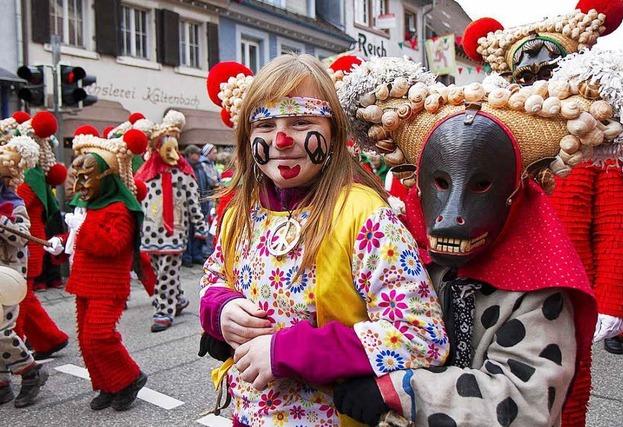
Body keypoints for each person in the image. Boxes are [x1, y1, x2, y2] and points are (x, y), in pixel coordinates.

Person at [332, 51, 623, 426]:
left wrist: (403, 390)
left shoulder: (538, 290)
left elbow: (524, 404)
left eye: (480, 186)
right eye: (441, 184)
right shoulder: (397, 251)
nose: (450, 216)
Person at [199, 54, 449, 426]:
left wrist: (288, 350)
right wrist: (221, 310)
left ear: (333, 132)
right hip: (248, 416)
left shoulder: (364, 215)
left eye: (301, 121)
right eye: (265, 124)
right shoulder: (240, 214)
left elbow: (421, 335)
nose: (281, 140)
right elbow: (212, 279)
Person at [45, 125, 150, 411]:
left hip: (108, 284)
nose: (80, 183)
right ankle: (107, 383)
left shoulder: (119, 208)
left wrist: (82, 227)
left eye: (86, 176)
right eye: (77, 176)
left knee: (100, 336)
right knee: (86, 339)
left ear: (106, 177)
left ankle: (130, 378)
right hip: (84, 281)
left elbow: (112, 245)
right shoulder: (89, 208)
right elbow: (79, 237)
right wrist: (60, 241)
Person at [135, 111, 207, 332]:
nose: (173, 154)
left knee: (166, 272)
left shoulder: (184, 174)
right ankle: (177, 300)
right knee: (161, 272)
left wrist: (201, 227)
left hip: (174, 232)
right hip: (150, 233)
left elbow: (194, 202)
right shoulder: (145, 174)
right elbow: (137, 201)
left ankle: (163, 311)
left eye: (175, 148)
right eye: (167, 149)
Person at [11, 112, 69, 360]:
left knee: (19, 299)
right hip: (25, 244)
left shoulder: (29, 177)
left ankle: (17, 351)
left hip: (25, 245)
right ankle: (49, 339)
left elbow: (15, 208)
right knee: (24, 297)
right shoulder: (28, 175)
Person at [0, 135, 49, 408]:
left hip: (8, 275)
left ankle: (31, 371)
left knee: (2, 331)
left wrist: (2, 220)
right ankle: (2, 382)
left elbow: (21, 236)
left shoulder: (14, 204)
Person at [183, 144, 212, 266]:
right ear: (190, 154)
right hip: (188, 205)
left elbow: (206, 184)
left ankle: (197, 255)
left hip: (201, 203)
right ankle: (187, 257)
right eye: (196, 154)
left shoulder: (200, 167)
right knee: (188, 233)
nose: (198, 156)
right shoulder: (185, 168)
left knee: (198, 232)